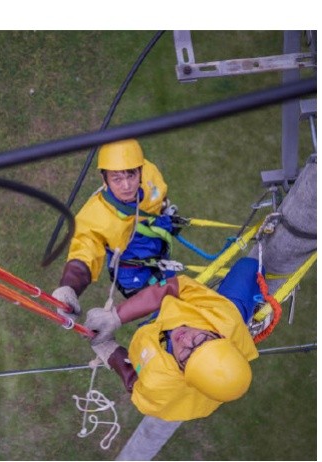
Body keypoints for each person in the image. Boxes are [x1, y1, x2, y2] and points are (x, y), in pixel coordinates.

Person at [84, 256, 261, 422]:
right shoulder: (223, 317)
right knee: (249, 266)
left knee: (152, 294)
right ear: (220, 335)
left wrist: (111, 352)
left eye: (186, 355)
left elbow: (135, 385)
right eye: (199, 341)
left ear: (183, 374)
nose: (183, 340)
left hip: (159, 330)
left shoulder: (161, 385)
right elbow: (175, 286)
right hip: (220, 317)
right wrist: (117, 316)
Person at [52, 139, 178, 320]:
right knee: (163, 307)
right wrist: (70, 287)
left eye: (131, 176)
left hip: (158, 244)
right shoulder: (97, 215)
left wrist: (165, 208)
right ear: (104, 179)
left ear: (140, 171)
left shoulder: (150, 172)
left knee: (174, 287)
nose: (126, 186)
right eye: (117, 179)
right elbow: (85, 249)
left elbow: (160, 194)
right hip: (134, 269)